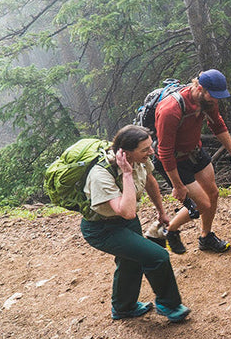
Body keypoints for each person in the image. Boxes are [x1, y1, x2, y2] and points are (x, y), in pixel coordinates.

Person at [80, 124, 190, 323]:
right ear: (126, 153)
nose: (151, 151)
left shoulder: (140, 160)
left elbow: (150, 181)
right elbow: (127, 211)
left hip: (125, 223)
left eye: (150, 146)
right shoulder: (101, 174)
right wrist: (127, 173)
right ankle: (169, 304)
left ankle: (123, 307)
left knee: (131, 261)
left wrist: (161, 211)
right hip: (102, 229)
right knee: (157, 256)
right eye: (145, 149)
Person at [145, 69, 231, 254]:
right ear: (199, 87)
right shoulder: (171, 109)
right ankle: (167, 230)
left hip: (194, 151)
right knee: (202, 204)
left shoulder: (207, 102)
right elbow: (164, 151)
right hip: (172, 160)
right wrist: (178, 185)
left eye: (218, 97)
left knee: (213, 194)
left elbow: (218, 125)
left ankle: (206, 238)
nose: (216, 101)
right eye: (212, 96)